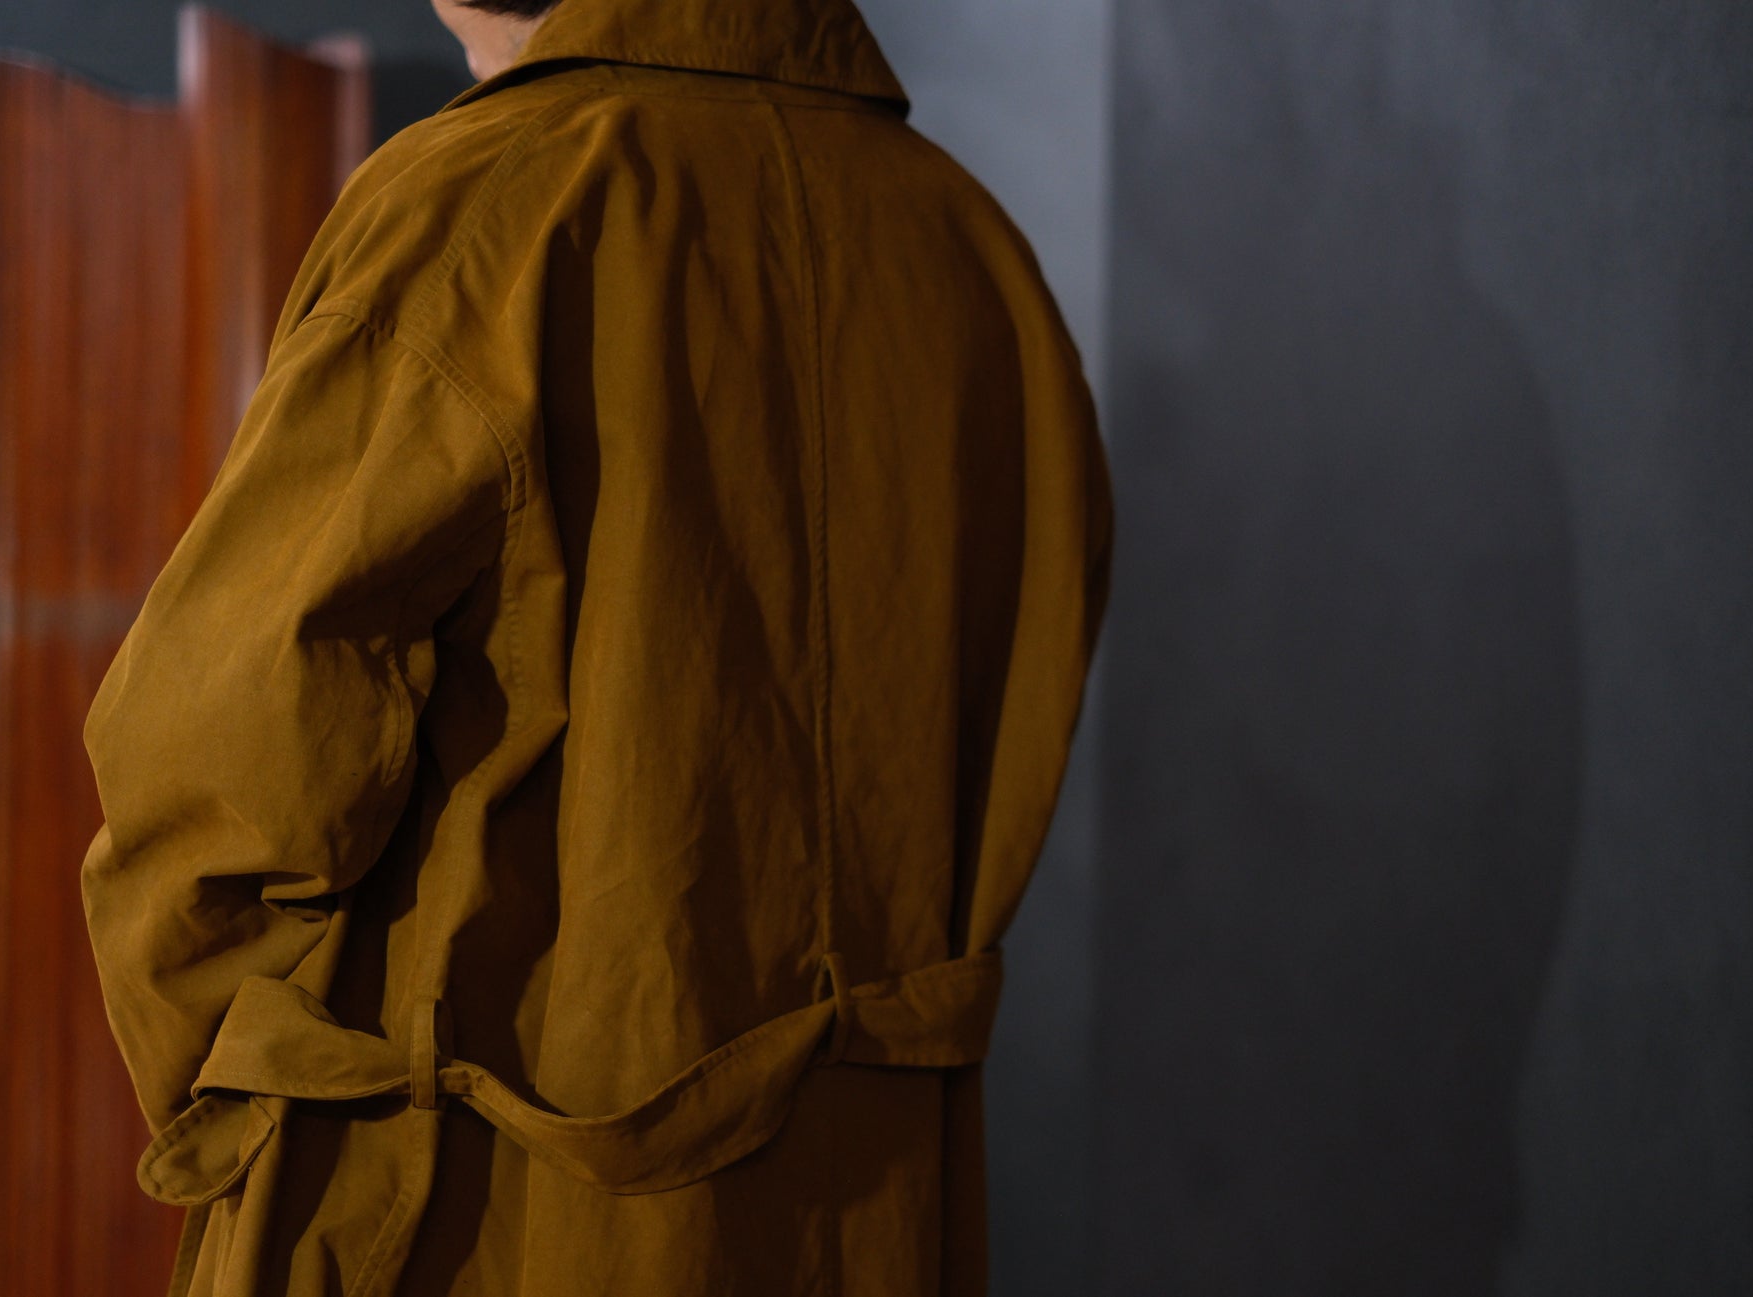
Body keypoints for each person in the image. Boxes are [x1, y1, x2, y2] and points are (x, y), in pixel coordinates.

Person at [77, 0, 1113, 1292]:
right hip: (872, 1221)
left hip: (484, 1222)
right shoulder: (973, 252)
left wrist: (248, 1097)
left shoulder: (484, 211)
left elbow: (209, 765)